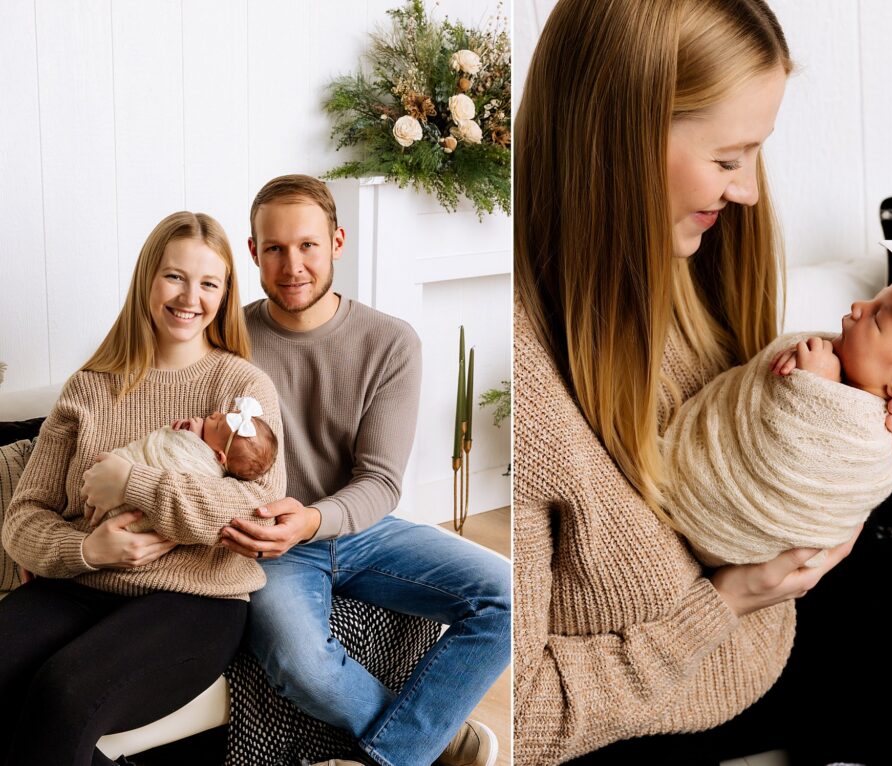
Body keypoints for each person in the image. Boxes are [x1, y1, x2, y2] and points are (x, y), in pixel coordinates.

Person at [512, 1, 892, 764]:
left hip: (773, 652)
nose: (746, 190)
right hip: (634, 724)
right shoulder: (517, 389)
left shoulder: (693, 263)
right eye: (727, 159)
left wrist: (865, 438)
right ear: (618, 141)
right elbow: (518, 717)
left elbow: (758, 454)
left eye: (756, 153)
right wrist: (727, 601)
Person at [86, 174, 511, 766]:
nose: (293, 266)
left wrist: (312, 519)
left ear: (337, 242)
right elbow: (175, 445)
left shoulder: (391, 343)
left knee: (508, 596)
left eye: (308, 245)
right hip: (264, 546)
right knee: (299, 662)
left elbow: (381, 481)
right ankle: (433, 742)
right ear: (253, 252)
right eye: (275, 249)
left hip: (361, 532)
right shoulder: (223, 341)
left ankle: (401, 752)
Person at [0, 211, 285, 766]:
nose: (190, 298)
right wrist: (87, 548)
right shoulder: (88, 387)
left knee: (63, 693)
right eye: (175, 276)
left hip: (194, 600)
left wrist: (135, 483)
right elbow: (24, 516)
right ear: (148, 279)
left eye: (209, 283)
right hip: (77, 586)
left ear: (225, 294)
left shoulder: (242, 389)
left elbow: (255, 510)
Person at [661, 267, 892, 568]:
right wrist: (797, 361)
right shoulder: (837, 358)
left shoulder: (872, 441)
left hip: (728, 526)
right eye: (873, 300)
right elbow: (757, 392)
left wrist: (813, 390)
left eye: (876, 317)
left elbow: (804, 469)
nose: (858, 306)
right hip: (694, 474)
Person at [93, 398, 279, 535]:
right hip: (103, 483)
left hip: (131, 506)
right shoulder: (207, 439)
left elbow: (180, 465)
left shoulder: (208, 470)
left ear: (218, 456)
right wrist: (186, 433)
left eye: (217, 424)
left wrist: (188, 439)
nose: (215, 414)